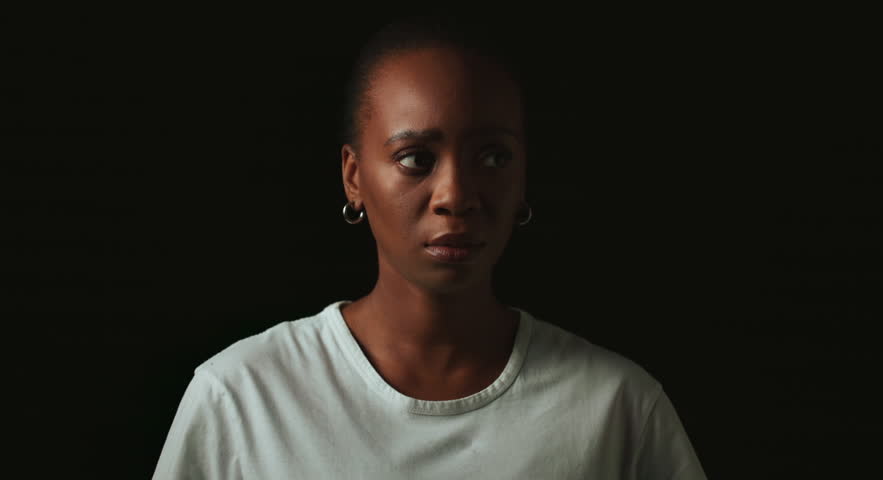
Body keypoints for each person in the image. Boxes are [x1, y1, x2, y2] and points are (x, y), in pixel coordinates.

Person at [152, 15, 707, 479]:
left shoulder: (617, 409)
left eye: (493, 157)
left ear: (523, 176)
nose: (456, 196)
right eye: (415, 158)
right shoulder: (242, 397)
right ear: (353, 177)